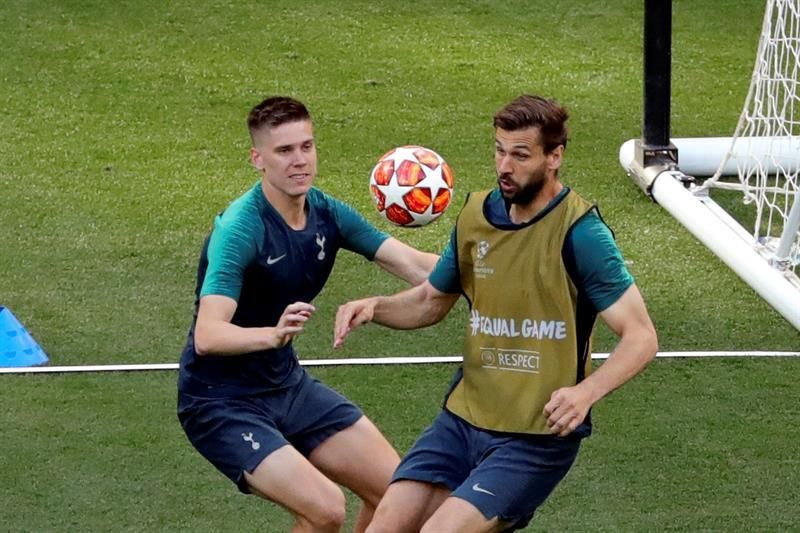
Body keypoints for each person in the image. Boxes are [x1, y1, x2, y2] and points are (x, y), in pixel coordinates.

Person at [334, 94, 659, 532]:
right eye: (500, 151)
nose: (505, 166)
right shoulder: (475, 216)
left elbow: (641, 336)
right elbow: (431, 300)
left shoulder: (581, 233)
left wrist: (586, 394)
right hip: (462, 420)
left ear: (555, 157)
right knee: (386, 523)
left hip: (533, 437)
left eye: (521, 155)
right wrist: (376, 306)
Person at [177, 96, 438, 533]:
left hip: (287, 386)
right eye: (284, 151)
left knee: (398, 495)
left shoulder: (327, 212)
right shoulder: (241, 229)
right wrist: (272, 335)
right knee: (325, 509)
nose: (300, 161)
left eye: (306, 147)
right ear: (257, 159)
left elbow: (416, 267)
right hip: (220, 401)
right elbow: (209, 334)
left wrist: (485, 258)